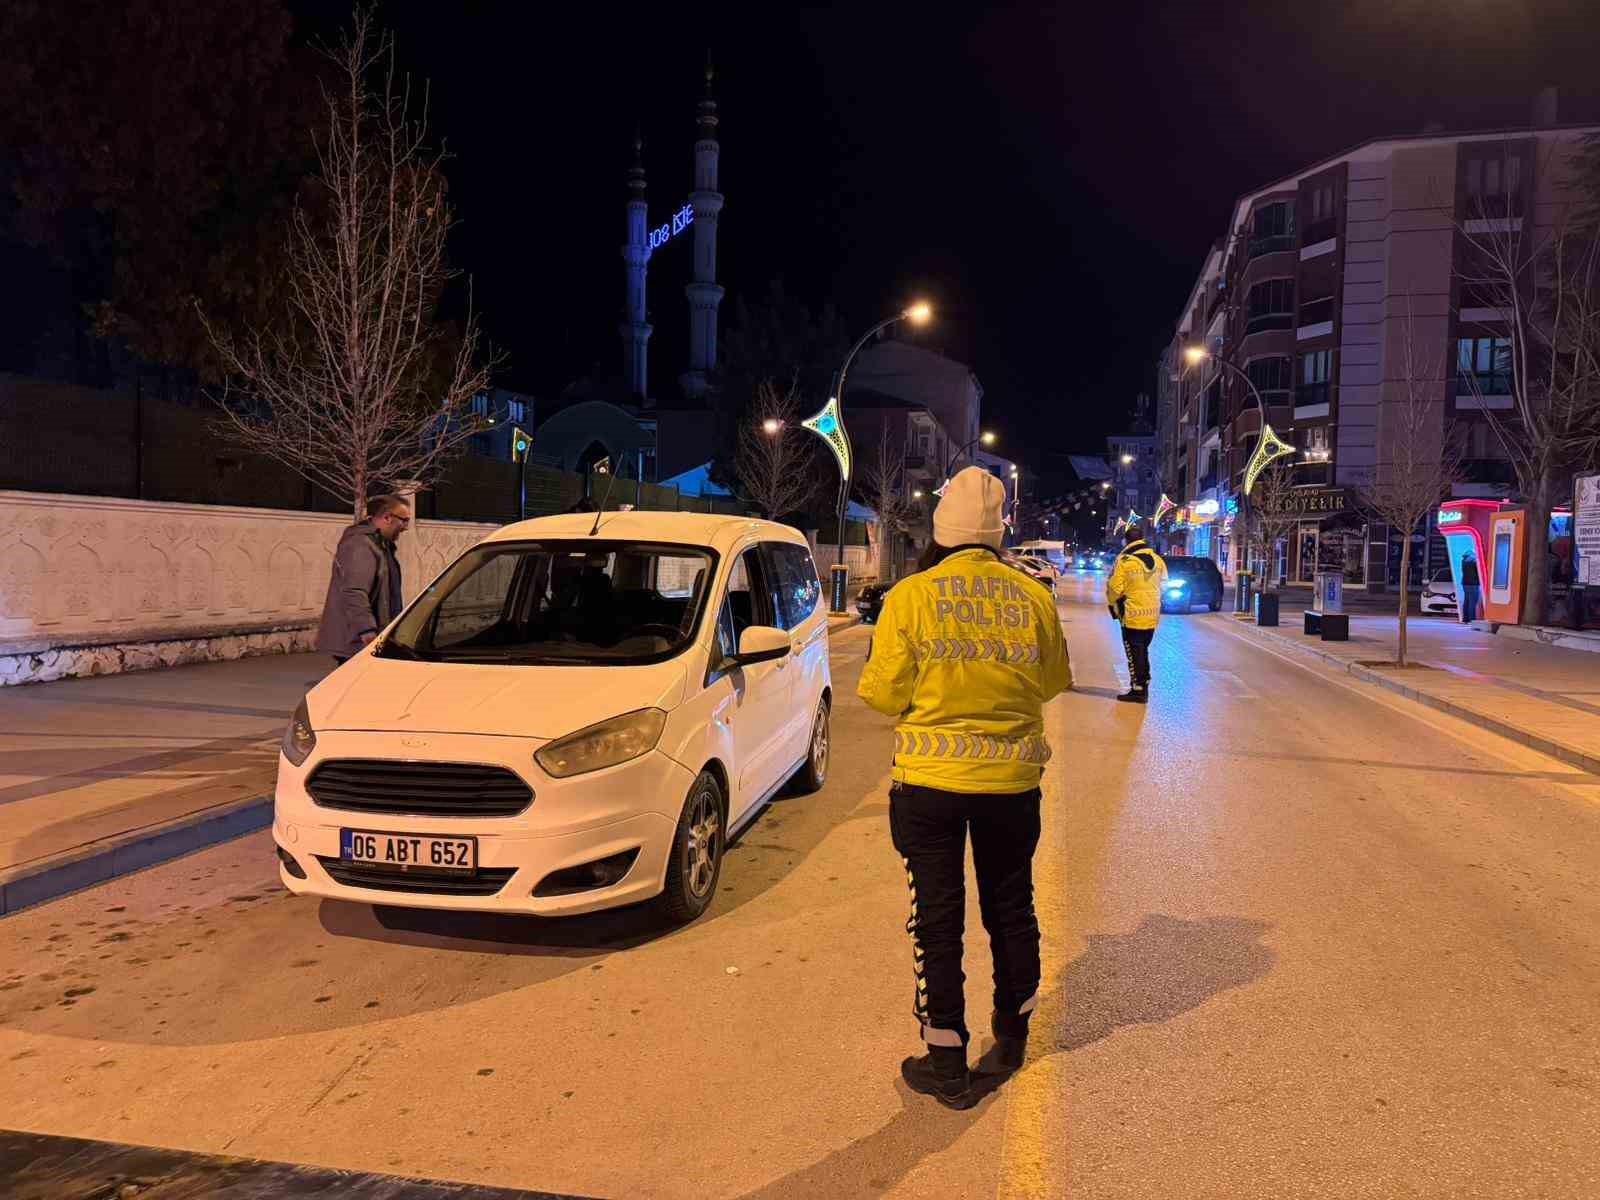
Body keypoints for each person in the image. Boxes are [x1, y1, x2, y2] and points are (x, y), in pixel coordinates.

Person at [857, 467, 1072, 1110]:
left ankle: (945, 1057)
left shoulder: (912, 597)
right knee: (1012, 907)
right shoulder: (1032, 596)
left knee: (937, 917)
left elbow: (881, 693)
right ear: (997, 531)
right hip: (1010, 785)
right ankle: (1011, 1039)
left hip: (929, 787)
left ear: (941, 530)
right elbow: (1053, 680)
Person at [315, 494, 411, 665]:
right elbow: (354, 591)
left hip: (372, 638)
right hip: (359, 641)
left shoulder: (380, 545)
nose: (406, 527)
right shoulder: (360, 544)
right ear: (387, 517)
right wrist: (367, 630)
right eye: (404, 520)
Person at [1104, 523, 1166, 703]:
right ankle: (1143, 685)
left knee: (1134, 652)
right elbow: (1164, 584)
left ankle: (1138, 690)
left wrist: (1113, 603)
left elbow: (1114, 588)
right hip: (1152, 614)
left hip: (1132, 614)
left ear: (1126, 540)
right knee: (1143, 651)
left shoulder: (1125, 560)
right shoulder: (1158, 559)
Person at [1460, 551, 1481, 623]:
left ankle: (1465, 619)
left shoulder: (1464, 561)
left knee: (1467, 601)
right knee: (1473, 602)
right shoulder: (1474, 562)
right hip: (1473, 584)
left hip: (1465, 583)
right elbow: (1478, 572)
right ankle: (1472, 620)